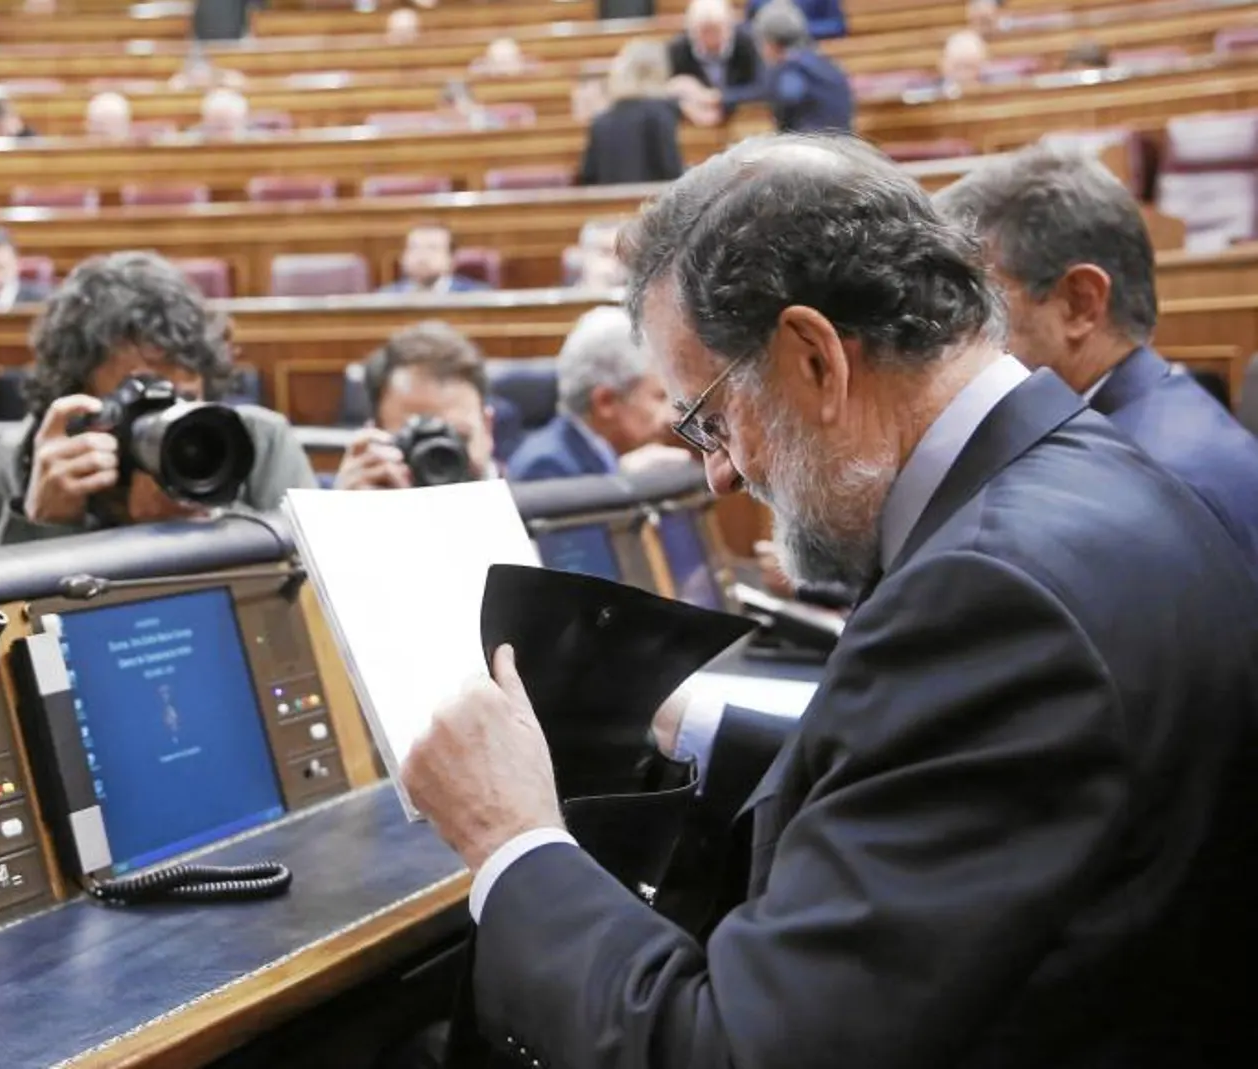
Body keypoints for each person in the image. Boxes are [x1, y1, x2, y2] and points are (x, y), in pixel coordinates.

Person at [399, 134, 1258, 1069]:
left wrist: (512, 838)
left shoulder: (992, 597)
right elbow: (941, 773)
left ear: (814, 356)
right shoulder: (1095, 476)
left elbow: (733, 1053)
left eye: (711, 419)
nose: (719, 474)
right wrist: (691, 725)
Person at [936, 146, 1258, 564]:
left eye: (973, 302)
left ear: (1079, 305)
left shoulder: (1132, 485)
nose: (947, 337)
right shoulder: (1153, 420)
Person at [0, 251, 316, 547]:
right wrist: (42, 527)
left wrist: (209, 521)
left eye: (183, 400)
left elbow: (316, 612)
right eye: (142, 403)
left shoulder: (258, 448)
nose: (170, 422)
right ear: (77, 405)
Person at [507, 306, 689, 480]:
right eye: (659, 397)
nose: (671, 416)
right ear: (605, 402)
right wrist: (625, 482)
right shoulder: (545, 467)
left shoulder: (619, 455)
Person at [333, 321, 499, 490]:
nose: (437, 461)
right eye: (418, 439)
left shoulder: (525, 511)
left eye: (459, 437)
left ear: (487, 429)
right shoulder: (353, 505)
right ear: (376, 436)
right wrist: (346, 509)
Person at [726, 0, 853, 133]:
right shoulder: (826, 63)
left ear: (770, 43)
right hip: (841, 143)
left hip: (812, 145)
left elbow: (790, 92)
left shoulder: (787, 67)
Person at [577, 40, 685, 186]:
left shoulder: (601, 121)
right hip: (651, 205)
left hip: (611, 206)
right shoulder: (661, 114)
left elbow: (589, 175)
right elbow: (671, 171)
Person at [666, 0, 762, 97]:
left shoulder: (745, 44)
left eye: (716, 30)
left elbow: (757, 86)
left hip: (739, 105)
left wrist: (722, 97)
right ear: (693, 32)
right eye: (705, 31)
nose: (711, 37)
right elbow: (676, 89)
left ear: (728, 28)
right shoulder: (679, 50)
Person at [379, 223, 491, 295]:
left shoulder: (477, 296)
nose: (422, 256)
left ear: (451, 259)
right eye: (414, 248)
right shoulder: (385, 297)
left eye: (432, 248)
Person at [746, 0, 845, 38]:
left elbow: (837, 25)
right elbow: (749, 29)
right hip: (769, 58)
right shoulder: (757, 2)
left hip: (812, 51)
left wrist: (798, 29)